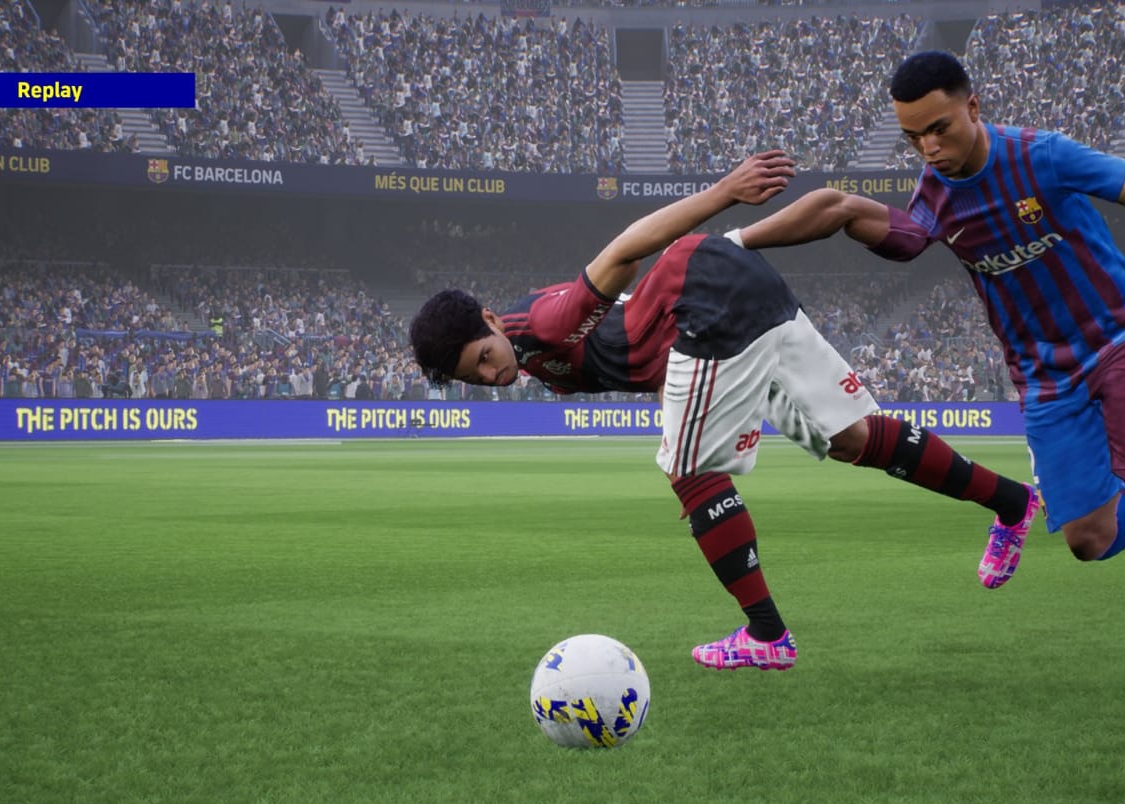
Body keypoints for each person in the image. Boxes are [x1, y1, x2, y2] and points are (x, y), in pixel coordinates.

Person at [733, 51, 1125, 703]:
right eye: (913, 138)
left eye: (939, 128)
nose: (929, 148)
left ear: (974, 106)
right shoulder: (934, 197)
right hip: (1044, 376)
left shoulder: (1042, 157)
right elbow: (848, 214)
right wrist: (734, 244)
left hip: (1121, 337)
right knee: (1090, 539)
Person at [409, 150, 1041, 673]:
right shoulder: (520, 351)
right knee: (851, 439)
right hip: (734, 295)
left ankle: (767, 635)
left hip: (704, 303)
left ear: (492, 318)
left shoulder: (544, 322)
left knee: (687, 469)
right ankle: (1014, 503)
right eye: (475, 378)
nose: (492, 375)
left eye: (485, 356)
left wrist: (724, 192)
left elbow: (625, 250)